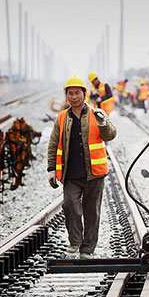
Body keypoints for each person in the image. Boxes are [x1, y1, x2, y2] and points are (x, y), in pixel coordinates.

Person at [47, 76, 117, 259]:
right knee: (70, 206)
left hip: (94, 173)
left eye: (77, 93)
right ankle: (75, 242)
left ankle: (87, 250)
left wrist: (104, 123)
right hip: (71, 173)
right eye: (70, 93)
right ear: (66, 96)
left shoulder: (96, 114)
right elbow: (53, 144)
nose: (73, 96)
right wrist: (50, 169)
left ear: (84, 94)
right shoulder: (62, 117)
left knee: (92, 212)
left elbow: (110, 135)